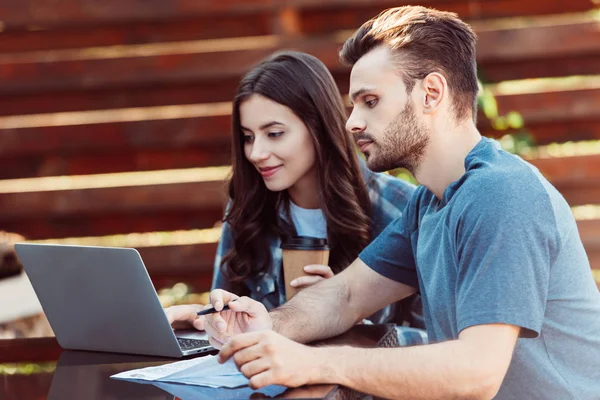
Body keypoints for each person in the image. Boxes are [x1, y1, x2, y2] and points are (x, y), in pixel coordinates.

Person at [199, 6, 600, 400]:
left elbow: (477, 372)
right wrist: (267, 324)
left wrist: (316, 363)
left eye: (370, 101)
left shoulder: (502, 194)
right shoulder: (430, 203)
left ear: (431, 93)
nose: (351, 122)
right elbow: (346, 296)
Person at [165, 51, 426, 345]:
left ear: (318, 128)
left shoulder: (402, 207)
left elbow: (436, 342)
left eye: (274, 134)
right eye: (248, 137)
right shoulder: (247, 209)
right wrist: (204, 320)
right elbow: (227, 324)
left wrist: (339, 310)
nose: (256, 153)